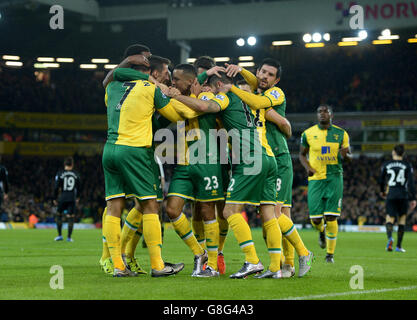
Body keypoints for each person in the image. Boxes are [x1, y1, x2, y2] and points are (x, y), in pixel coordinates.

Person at [165, 72, 283, 279]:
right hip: (268, 156)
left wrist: (176, 96)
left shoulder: (225, 95)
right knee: (268, 214)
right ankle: (276, 268)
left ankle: (252, 261)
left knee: (229, 211)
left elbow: (204, 107)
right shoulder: (249, 100)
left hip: (249, 159)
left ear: (219, 85)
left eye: (212, 89)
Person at [102, 44, 187, 277]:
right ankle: (158, 265)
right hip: (135, 151)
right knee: (150, 205)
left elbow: (114, 80)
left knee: (114, 207)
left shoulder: (113, 88)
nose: (167, 77)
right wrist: (182, 100)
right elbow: (175, 116)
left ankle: (118, 265)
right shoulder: (150, 88)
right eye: (164, 73)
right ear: (151, 71)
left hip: (110, 149)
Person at [224, 59, 313, 278]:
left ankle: (297, 257)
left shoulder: (275, 94)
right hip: (264, 158)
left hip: (278, 158)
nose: (264, 76)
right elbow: (255, 83)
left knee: (276, 213)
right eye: (262, 72)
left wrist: (286, 126)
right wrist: (241, 70)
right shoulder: (258, 89)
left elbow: (280, 121)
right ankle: (284, 265)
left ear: (277, 80)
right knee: (270, 215)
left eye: (270, 74)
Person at [299, 105, 352, 263]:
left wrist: (346, 156)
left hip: (334, 178)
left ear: (331, 115)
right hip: (316, 179)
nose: (322, 114)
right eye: (319, 112)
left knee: (331, 217)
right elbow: (301, 155)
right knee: (315, 219)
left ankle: (330, 254)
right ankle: (321, 232)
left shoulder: (341, 133)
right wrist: (308, 167)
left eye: (325, 111)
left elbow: (349, 158)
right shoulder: (307, 134)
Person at [379, 144, 416, 252]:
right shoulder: (407, 165)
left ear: (393, 152)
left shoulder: (387, 164)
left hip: (391, 194)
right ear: (403, 153)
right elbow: (411, 183)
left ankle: (390, 237)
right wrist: (413, 198)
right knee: (402, 220)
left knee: (389, 218)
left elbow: (381, 180)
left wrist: (382, 191)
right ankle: (399, 246)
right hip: (403, 195)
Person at [53, 157, 81, 242]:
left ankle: (60, 235)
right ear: (72, 164)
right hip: (72, 197)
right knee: (70, 217)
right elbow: (79, 187)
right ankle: (69, 237)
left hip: (63, 197)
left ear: (64, 164)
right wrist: (78, 197)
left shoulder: (60, 173)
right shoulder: (76, 174)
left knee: (59, 215)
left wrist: (55, 198)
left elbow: (56, 187)